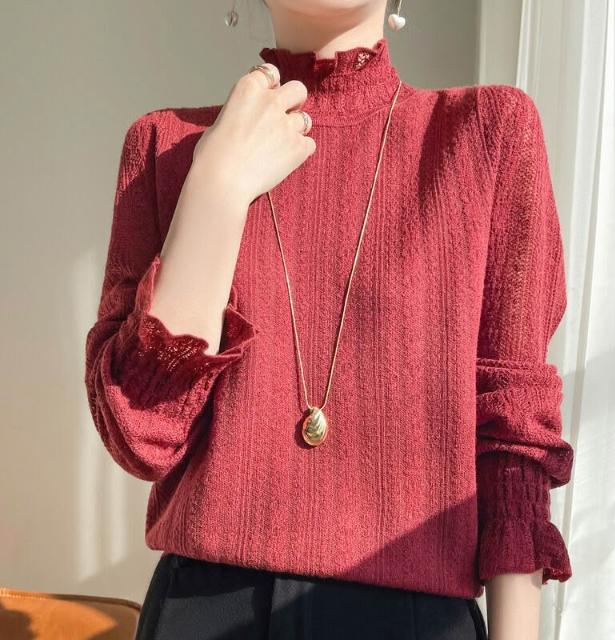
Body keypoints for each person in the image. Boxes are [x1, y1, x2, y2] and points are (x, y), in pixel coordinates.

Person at [83, 0, 574, 638]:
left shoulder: (486, 134)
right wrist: (217, 188)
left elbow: (513, 438)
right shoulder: (165, 147)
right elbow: (142, 432)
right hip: (206, 606)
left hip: (414, 618)